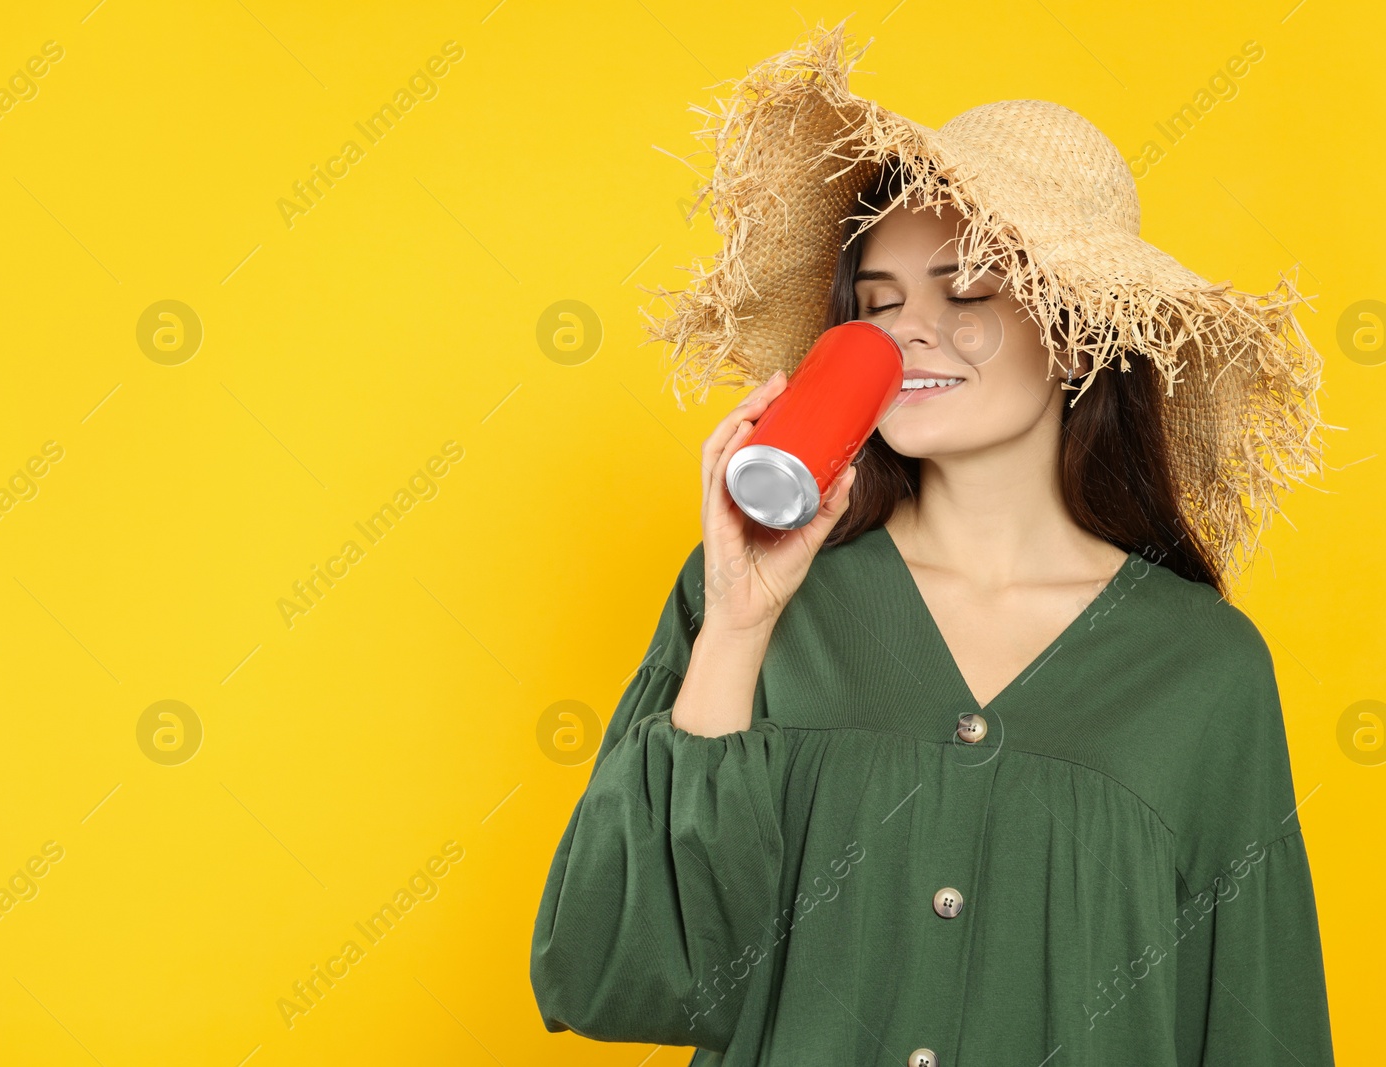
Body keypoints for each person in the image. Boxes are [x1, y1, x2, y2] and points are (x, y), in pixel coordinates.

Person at [531, 22, 1333, 1066]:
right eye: (878, 304)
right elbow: (613, 971)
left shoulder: (1203, 672)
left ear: (1079, 330)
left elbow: (1255, 1027)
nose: (908, 332)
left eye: (967, 294)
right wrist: (733, 624)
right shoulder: (754, 598)